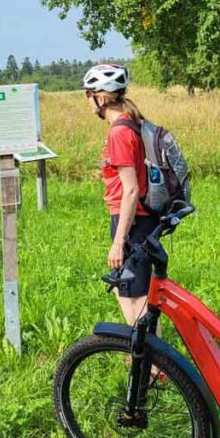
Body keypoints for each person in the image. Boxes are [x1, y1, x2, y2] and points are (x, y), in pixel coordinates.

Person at [83, 63, 158, 325]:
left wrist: (118, 241)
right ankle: (151, 355)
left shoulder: (119, 131)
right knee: (136, 289)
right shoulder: (131, 122)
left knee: (130, 292)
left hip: (132, 219)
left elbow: (131, 190)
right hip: (141, 217)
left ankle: (148, 361)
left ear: (101, 97)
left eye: (88, 94)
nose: (87, 100)